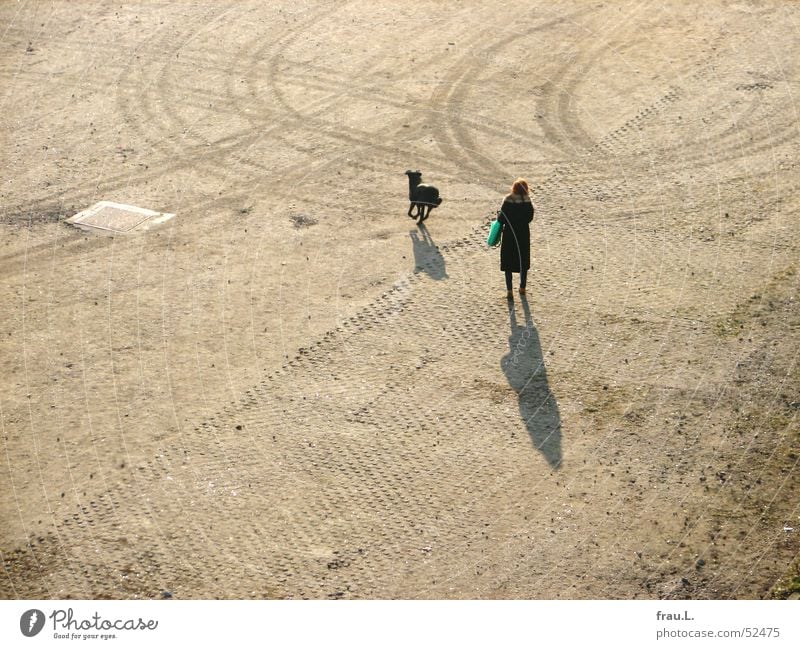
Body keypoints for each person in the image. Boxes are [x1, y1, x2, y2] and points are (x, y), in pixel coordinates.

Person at [498, 178, 533, 298]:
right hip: (523, 234)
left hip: (509, 234)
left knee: (508, 262)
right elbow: (530, 217)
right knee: (522, 260)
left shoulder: (508, 199)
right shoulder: (527, 200)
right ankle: (522, 287)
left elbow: (501, 218)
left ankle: (509, 291)